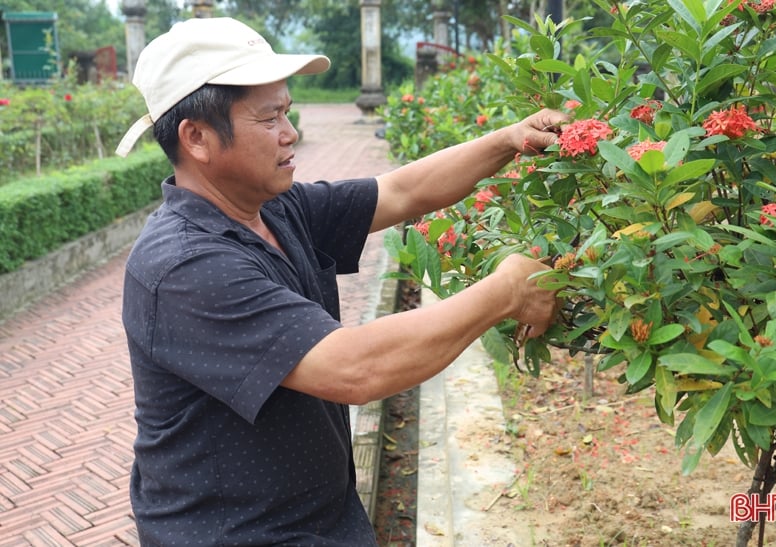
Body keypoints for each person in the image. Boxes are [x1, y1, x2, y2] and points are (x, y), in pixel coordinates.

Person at [116, 16, 567, 546]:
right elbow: (357, 368)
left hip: (320, 517)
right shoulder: (184, 266)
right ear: (197, 137)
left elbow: (400, 191)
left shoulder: (274, 208)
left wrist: (509, 140)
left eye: (288, 112)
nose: (291, 133)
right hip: (238, 533)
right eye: (269, 119)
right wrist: (506, 290)